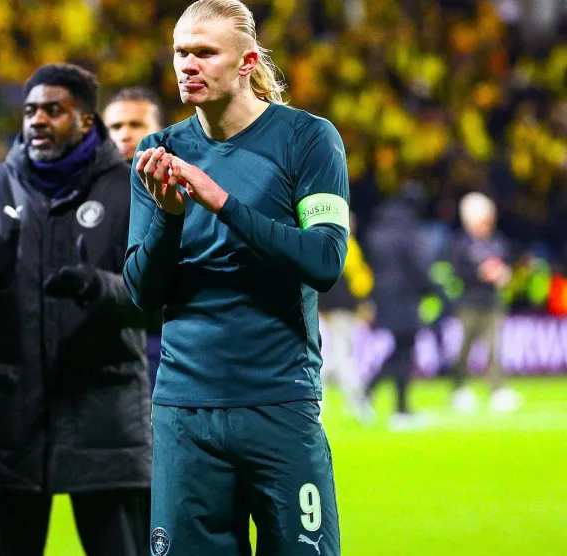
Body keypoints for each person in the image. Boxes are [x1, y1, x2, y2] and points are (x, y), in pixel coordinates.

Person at [124, 1, 348, 554]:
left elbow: (324, 261)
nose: (187, 65)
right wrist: (171, 220)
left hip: (279, 402)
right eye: (180, 52)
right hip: (185, 408)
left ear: (247, 61)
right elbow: (140, 294)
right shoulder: (159, 154)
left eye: (204, 52)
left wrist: (220, 202)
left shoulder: (308, 140)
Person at [0, 63, 151, 556]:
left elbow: (161, 300)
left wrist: (101, 288)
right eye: (31, 110)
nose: (37, 120)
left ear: (86, 122)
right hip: (11, 425)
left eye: (54, 110)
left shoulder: (129, 193)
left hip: (103, 423)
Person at [103, 87, 166, 391]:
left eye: (136, 125)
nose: (125, 134)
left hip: (162, 341)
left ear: (160, 131)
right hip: (103, 341)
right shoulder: (84, 191)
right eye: (115, 126)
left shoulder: (182, 186)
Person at [363, 188, 434, 430]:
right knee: (405, 350)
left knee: (399, 349)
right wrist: (431, 288)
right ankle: (400, 409)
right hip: (405, 296)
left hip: (383, 297)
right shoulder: (408, 231)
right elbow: (417, 265)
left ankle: (369, 391)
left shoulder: (377, 230)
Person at [450, 191, 518, 413]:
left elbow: (506, 265)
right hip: (469, 303)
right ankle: (458, 388)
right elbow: (457, 271)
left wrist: (503, 274)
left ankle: (497, 390)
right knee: (464, 349)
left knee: (494, 348)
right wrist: (479, 272)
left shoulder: (497, 241)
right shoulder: (461, 244)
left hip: (492, 303)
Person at [318, 212, 375, 424]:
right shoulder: (348, 245)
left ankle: (319, 406)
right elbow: (362, 283)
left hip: (323, 309)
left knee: (326, 356)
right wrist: (365, 303)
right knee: (342, 358)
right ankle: (358, 405)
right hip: (342, 310)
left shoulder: (324, 243)